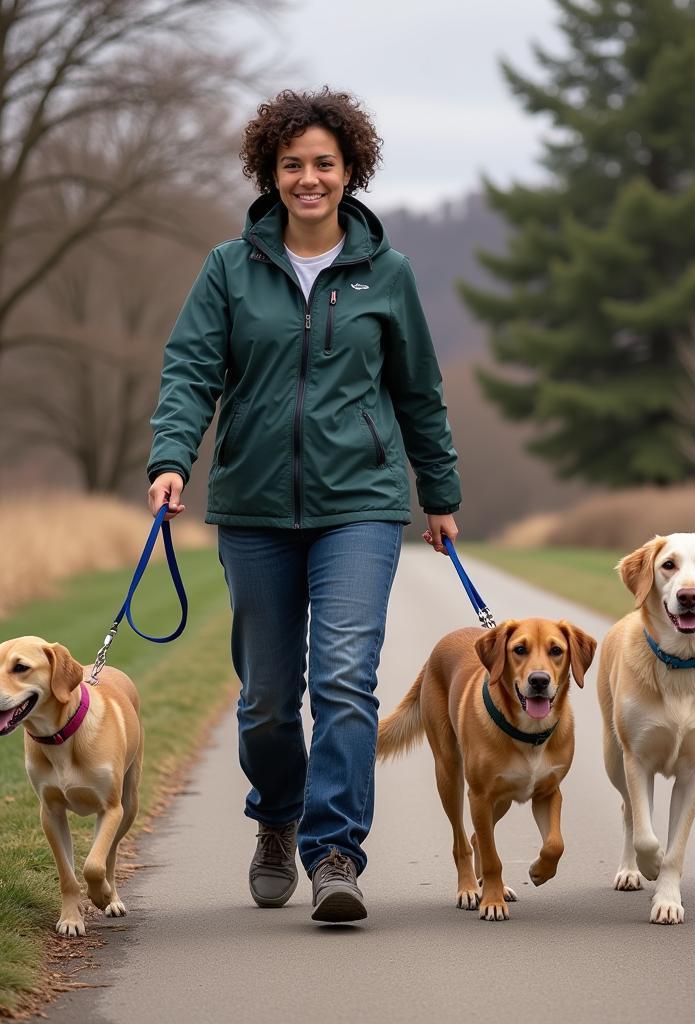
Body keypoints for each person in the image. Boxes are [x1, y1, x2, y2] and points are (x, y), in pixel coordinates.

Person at [146, 88, 460, 924]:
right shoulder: (228, 269)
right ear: (270, 172)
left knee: (347, 683)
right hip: (251, 508)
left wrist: (441, 494)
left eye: (325, 163)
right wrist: (173, 459)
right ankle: (278, 817)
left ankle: (334, 854)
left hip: (359, 504)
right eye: (293, 164)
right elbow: (189, 372)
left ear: (351, 170)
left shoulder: (387, 276)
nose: (309, 178)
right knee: (267, 702)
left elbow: (419, 393)